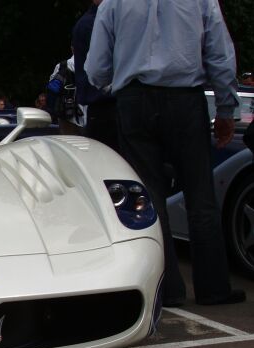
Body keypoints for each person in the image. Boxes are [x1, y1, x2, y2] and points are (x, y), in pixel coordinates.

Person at [86, 0, 245, 306]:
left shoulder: (113, 3)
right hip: (185, 98)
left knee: (149, 197)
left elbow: (96, 67)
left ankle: (167, 287)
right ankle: (213, 288)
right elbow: (220, 53)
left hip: (134, 99)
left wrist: (116, 86)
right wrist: (225, 108)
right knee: (200, 194)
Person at [72, 0, 119, 151]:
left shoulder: (101, 18)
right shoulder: (92, 23)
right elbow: (97, 69)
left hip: (107, 105)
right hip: (104, 105)